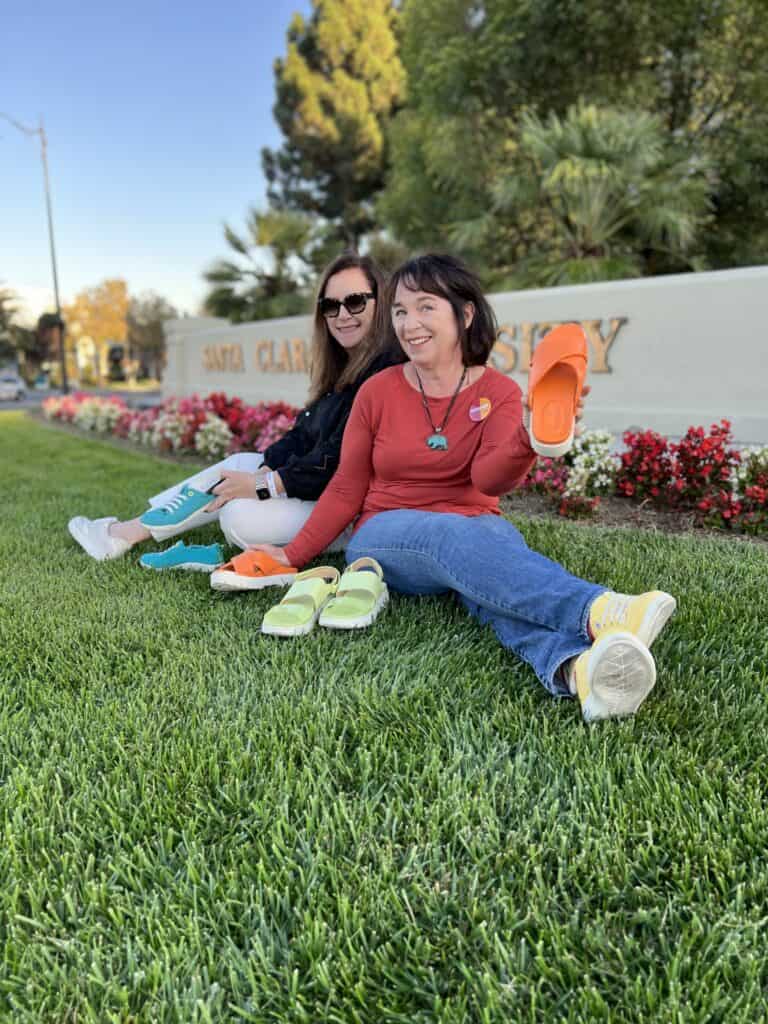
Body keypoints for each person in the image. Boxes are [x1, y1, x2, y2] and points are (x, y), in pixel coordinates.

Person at [250, 254, 677, 722]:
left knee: (489, 589)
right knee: (459, 540)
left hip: (477, 530)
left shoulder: (502, 392)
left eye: (425, 307)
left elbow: (488, 481)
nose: (409, 323)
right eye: (399, 311)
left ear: (465, 313)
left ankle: (580, 669)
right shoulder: (377, 391)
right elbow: (346, 488)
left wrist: (525, 438)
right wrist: (291, 555)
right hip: (384, 535)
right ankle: (598, 609)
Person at [68, 252, 402, 562]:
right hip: (322, 495)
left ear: (380, 301)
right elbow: (302, 437)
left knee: (238, 515)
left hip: (353, 512)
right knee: (243, 462)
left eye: (355, 302)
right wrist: (263, 470)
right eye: (331, 306)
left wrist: (264, 485)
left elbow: (339, 460)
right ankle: (128, 532)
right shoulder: (344, 369)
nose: (342, 315)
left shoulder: (386, 372)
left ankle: (126, 534)